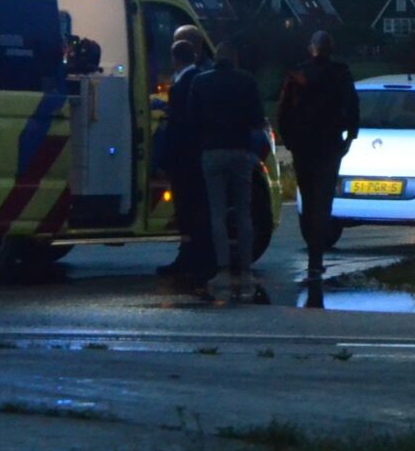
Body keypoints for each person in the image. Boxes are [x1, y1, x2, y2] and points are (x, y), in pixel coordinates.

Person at [273, 29, 358, 299]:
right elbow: (353, 107)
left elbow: (283, 110)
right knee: (323, 200)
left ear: (312, 48)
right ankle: (316, 256)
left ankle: (312, 248)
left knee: (308, 197)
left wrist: (288, 139)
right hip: (330, 144)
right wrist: (349, 139)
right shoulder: (341, 74)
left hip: (304, 145)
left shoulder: (297, 75)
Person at [190, 39, 272, 305]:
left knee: (217, 211)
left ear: (216, 58)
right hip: (240, 151)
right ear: (234, 59)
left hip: (212, 151)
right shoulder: (246, 82)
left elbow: (192, 119)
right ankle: (246, 268)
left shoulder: (200, 82)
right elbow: (258, 119)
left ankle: (222, 268)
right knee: (244, 210)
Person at [153, 24, 216, 285]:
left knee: (189, 211)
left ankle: (193, 260)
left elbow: (178, 127)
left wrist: (164, 159)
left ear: (175, 59)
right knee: (193, 210)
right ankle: (191, 258)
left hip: (184, 160)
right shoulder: (199, 79)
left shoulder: (184, 85)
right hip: (195, 157)